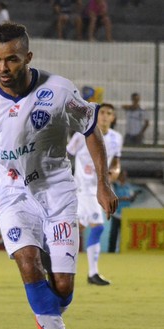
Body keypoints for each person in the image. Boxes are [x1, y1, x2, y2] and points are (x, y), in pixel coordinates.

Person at [0, 22, 117, 329]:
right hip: (11, 193)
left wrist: (103, 183)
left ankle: (46, 321)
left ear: (28, 56)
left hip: (56, 189)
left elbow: (90, 129)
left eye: (11, 60)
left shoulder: (58, 90)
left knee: (63, 285)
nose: (3, 68)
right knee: (28, 261)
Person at [67, 102, 122, 286]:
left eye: (109, 113)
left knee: (76, 229)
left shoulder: (116, 138)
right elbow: (65, 155)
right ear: (97, 116)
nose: (105, 116)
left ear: (113, 118)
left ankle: (51, 257)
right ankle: (92, 273)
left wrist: (115, 172)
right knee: (97, 227)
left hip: (99, 188)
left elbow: (116, 162)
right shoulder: (81, 135)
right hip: (83, 188)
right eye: (103, 112)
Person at [108, 170, 138, 253]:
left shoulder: (129, 186)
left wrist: (134, 196)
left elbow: (131, 199)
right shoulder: (115, 185)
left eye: (126, 175)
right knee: (114, 233)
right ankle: (111, 251)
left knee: (125, 234)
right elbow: (112, 198)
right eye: (123, 175)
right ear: (120, 176)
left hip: (126, 214)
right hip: (117, 213)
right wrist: (122, 199)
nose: (125, 177)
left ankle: (123, 251)